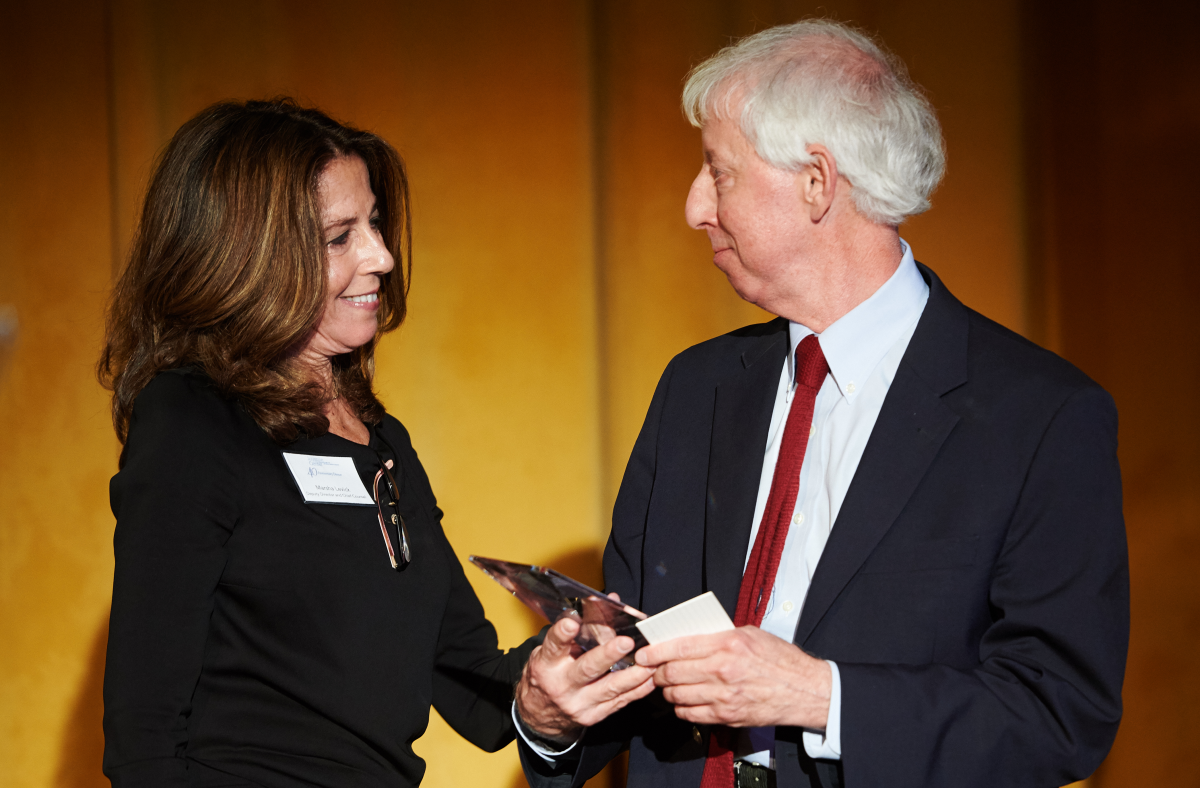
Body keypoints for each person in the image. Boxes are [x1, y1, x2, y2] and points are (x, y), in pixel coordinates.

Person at [511, 19, 1129, 788]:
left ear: (817, 182)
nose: (694, 205)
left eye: (719, 172)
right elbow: (632, 665)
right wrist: (550, 721)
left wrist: (820, 697)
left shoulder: (1040, 418)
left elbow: (1059, 717)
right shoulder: (695, 389)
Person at [98, 98, 536, 787]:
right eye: (341, 237)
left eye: (376, 224)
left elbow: (473, 688)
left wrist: (571, 669)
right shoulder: (194, 419)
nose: (382, 256)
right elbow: (143, 736)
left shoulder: (381, 440)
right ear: (246, 256)